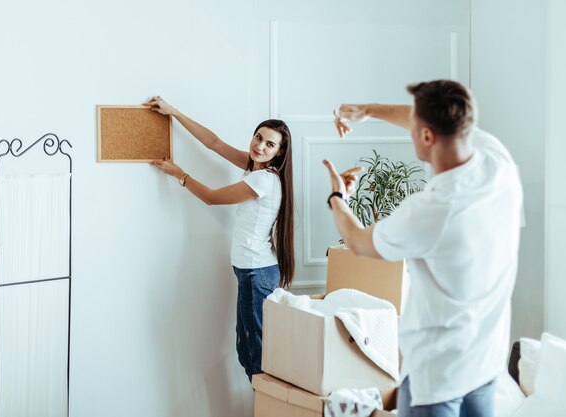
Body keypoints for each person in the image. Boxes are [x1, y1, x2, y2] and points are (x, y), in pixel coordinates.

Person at [324, 80, 523, 417]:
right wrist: (368, 110)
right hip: (487, 362)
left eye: (414, 127)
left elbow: (357, 242)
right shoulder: (497, 162)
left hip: (436, 377)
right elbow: (432, 118)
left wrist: (337, 198)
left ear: (427, 136)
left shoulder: (433, 209)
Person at [144, 96, 295, 382]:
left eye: (269, 144)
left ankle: (270, 408)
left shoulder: (262, 180)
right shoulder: (257, 168)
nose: (259, 146)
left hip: (256, 272)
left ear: (279, 153)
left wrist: (181, 175)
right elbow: (214, 143)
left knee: (255, 354)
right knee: (248, 349)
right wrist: (173, 111)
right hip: (253, 271)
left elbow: (213, 198)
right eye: (258, 137)